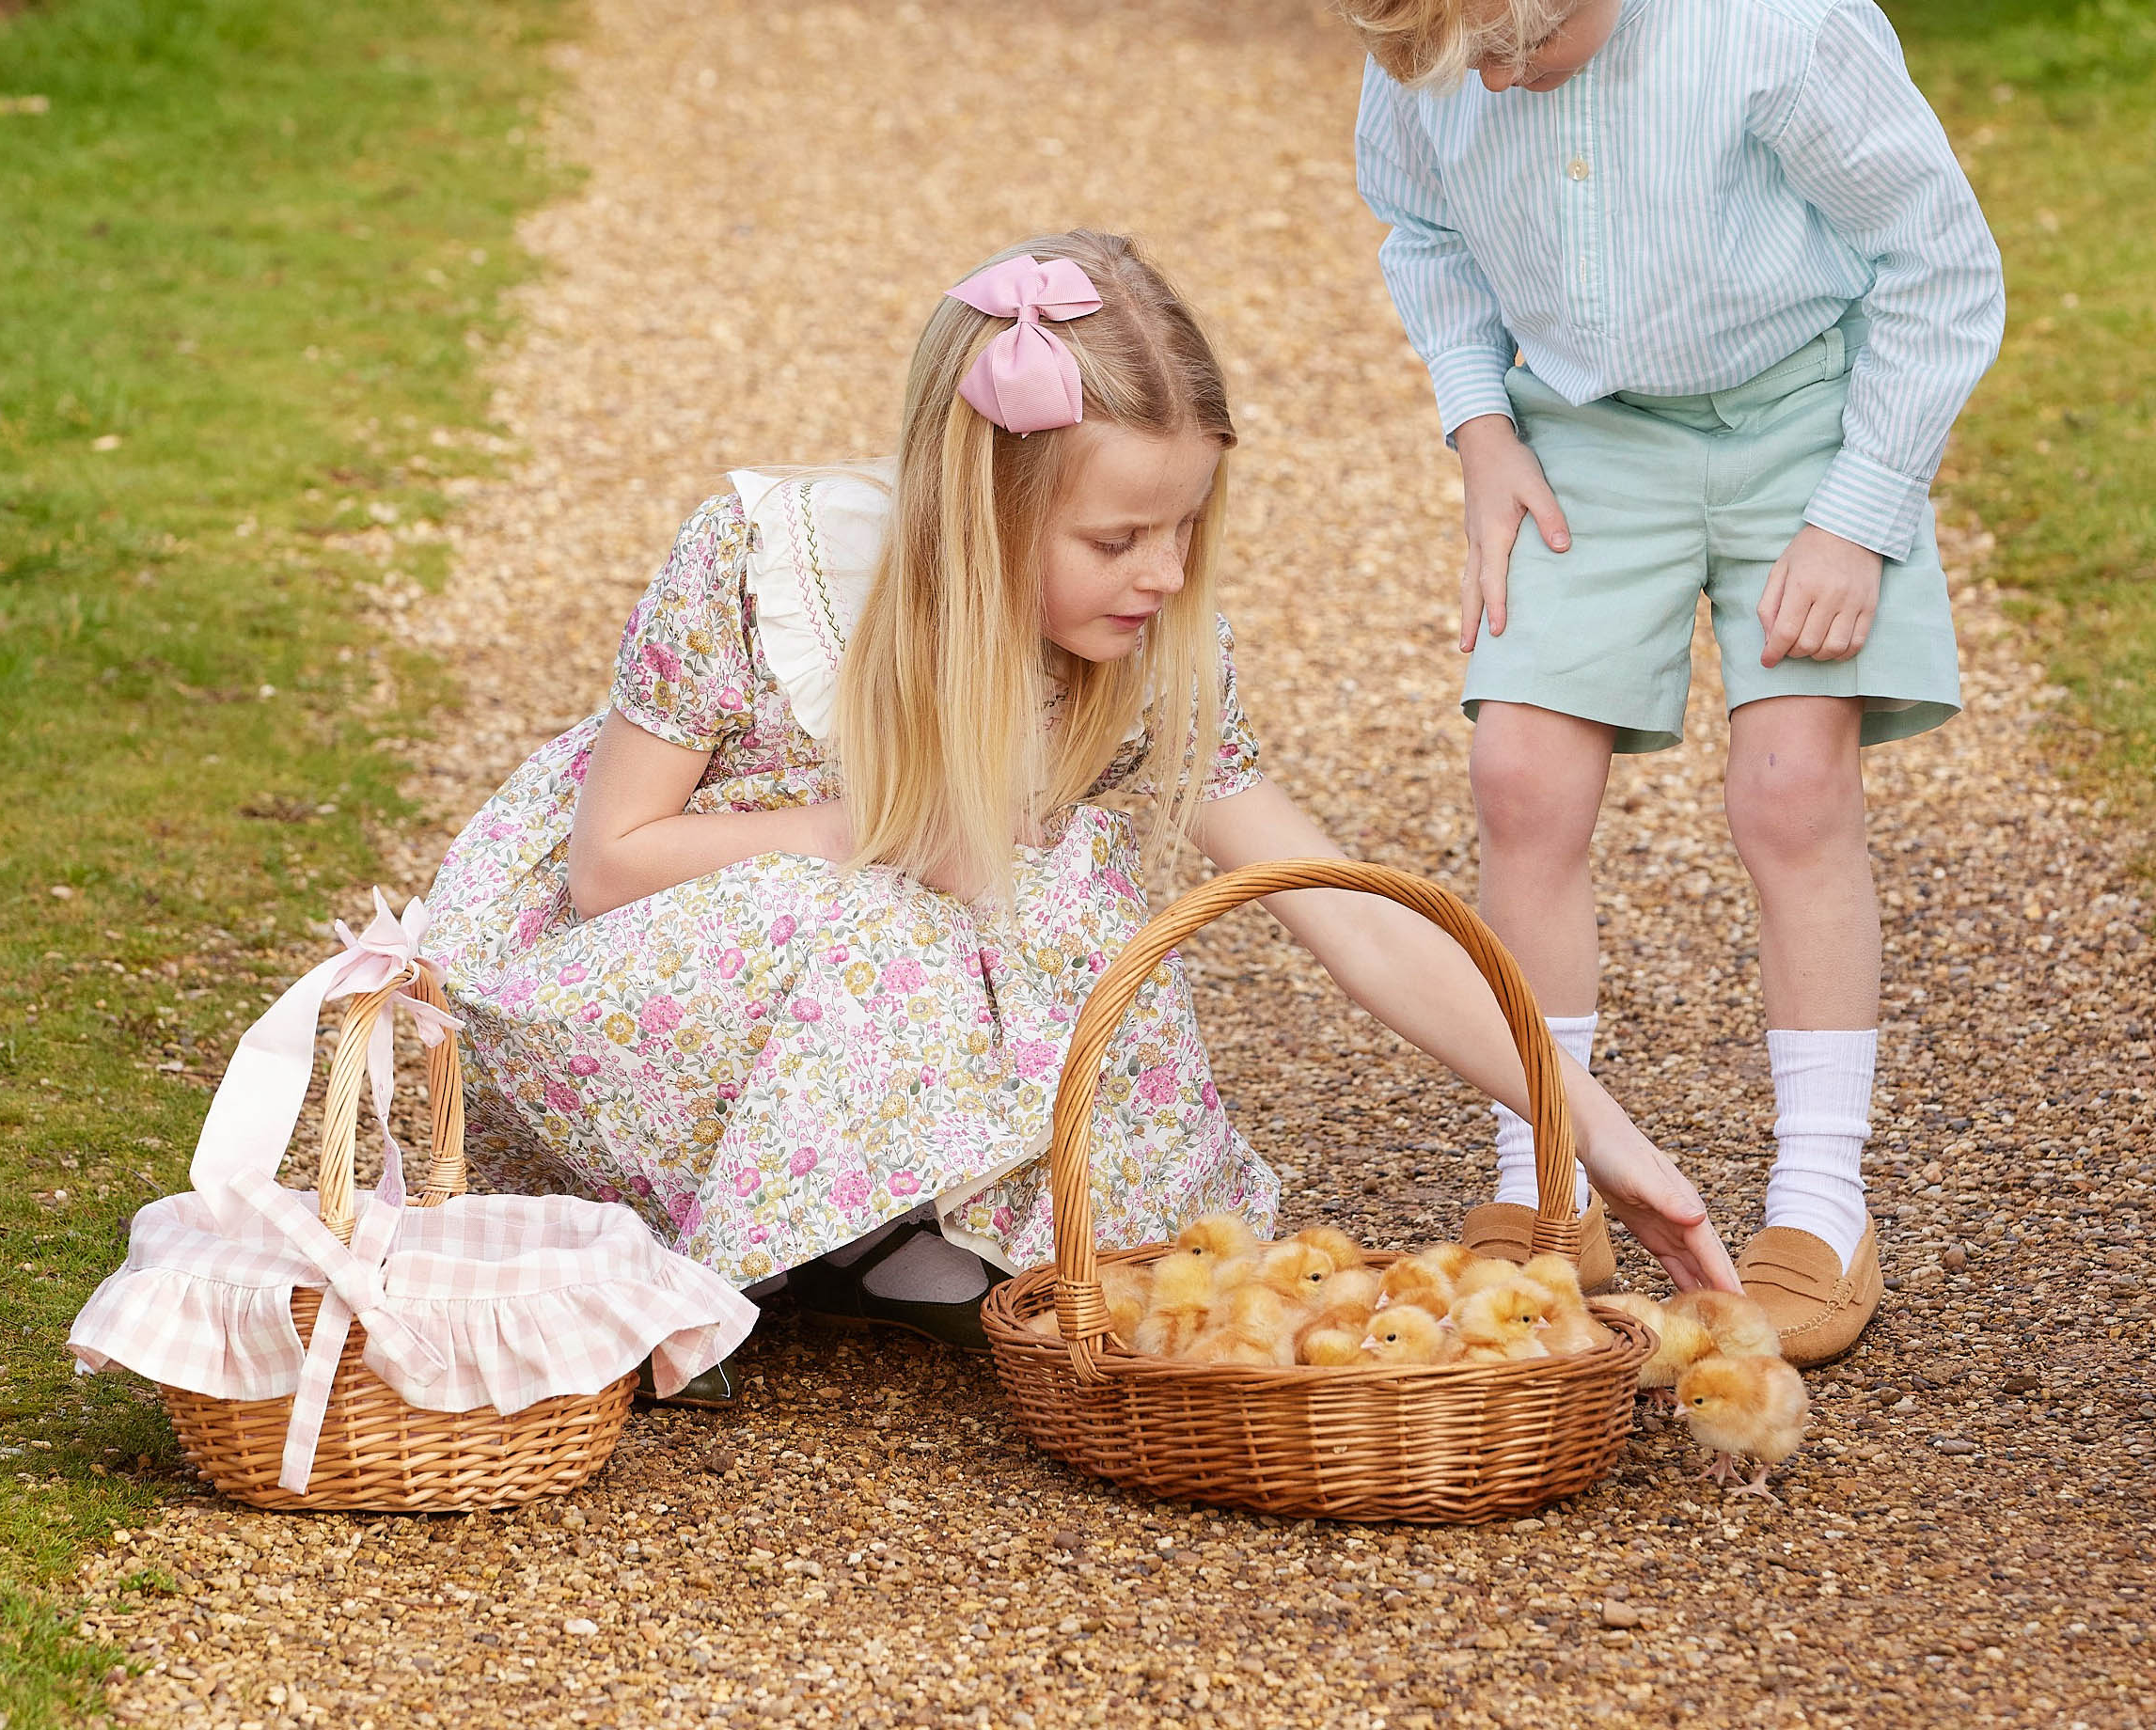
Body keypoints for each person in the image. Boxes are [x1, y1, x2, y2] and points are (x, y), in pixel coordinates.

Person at [422, 228, 1737, 1395]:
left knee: (1087, 1005)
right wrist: (882, 831)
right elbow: (612, 863)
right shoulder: (768, 568)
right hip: (646, 990)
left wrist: (1600, 1139)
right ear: (984, 512)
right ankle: (743, 1242)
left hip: (886, 988)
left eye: (1186, 530)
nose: (1163, 574)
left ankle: (876, 1240)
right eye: (1118, 541)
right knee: (895, 918)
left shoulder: (1143, 653)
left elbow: (1349, 910)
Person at [1326, 0, 2005, 1365]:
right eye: (1457, 56)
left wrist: (1859, 511)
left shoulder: (1779, 19)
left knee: (1791, 786)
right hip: (1581, 436)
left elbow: (1937, 269)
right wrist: (1481, 432)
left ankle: (1818, 1205)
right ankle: (1541, 1171)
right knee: (1521, 781)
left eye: (1530, 36)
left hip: (1802, 423)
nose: (1493, 75)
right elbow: (1423, 233)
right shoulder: (1435, 43)